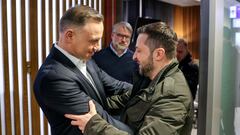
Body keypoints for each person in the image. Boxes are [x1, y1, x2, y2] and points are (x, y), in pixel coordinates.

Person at [65, 22, 194, 135]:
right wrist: (83, 105)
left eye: (139, 51)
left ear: (158, 54)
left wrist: (93, 125)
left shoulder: (172, 94)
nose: (134, 57)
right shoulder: (148, 79)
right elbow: (121, 100)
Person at [33, 5, 133, 135]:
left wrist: (150, 91)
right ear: (69, 36)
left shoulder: (86, 59)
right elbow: (101, 119)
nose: (97, 47)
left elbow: (116, 86)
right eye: (93, 41)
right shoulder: (53, 77)